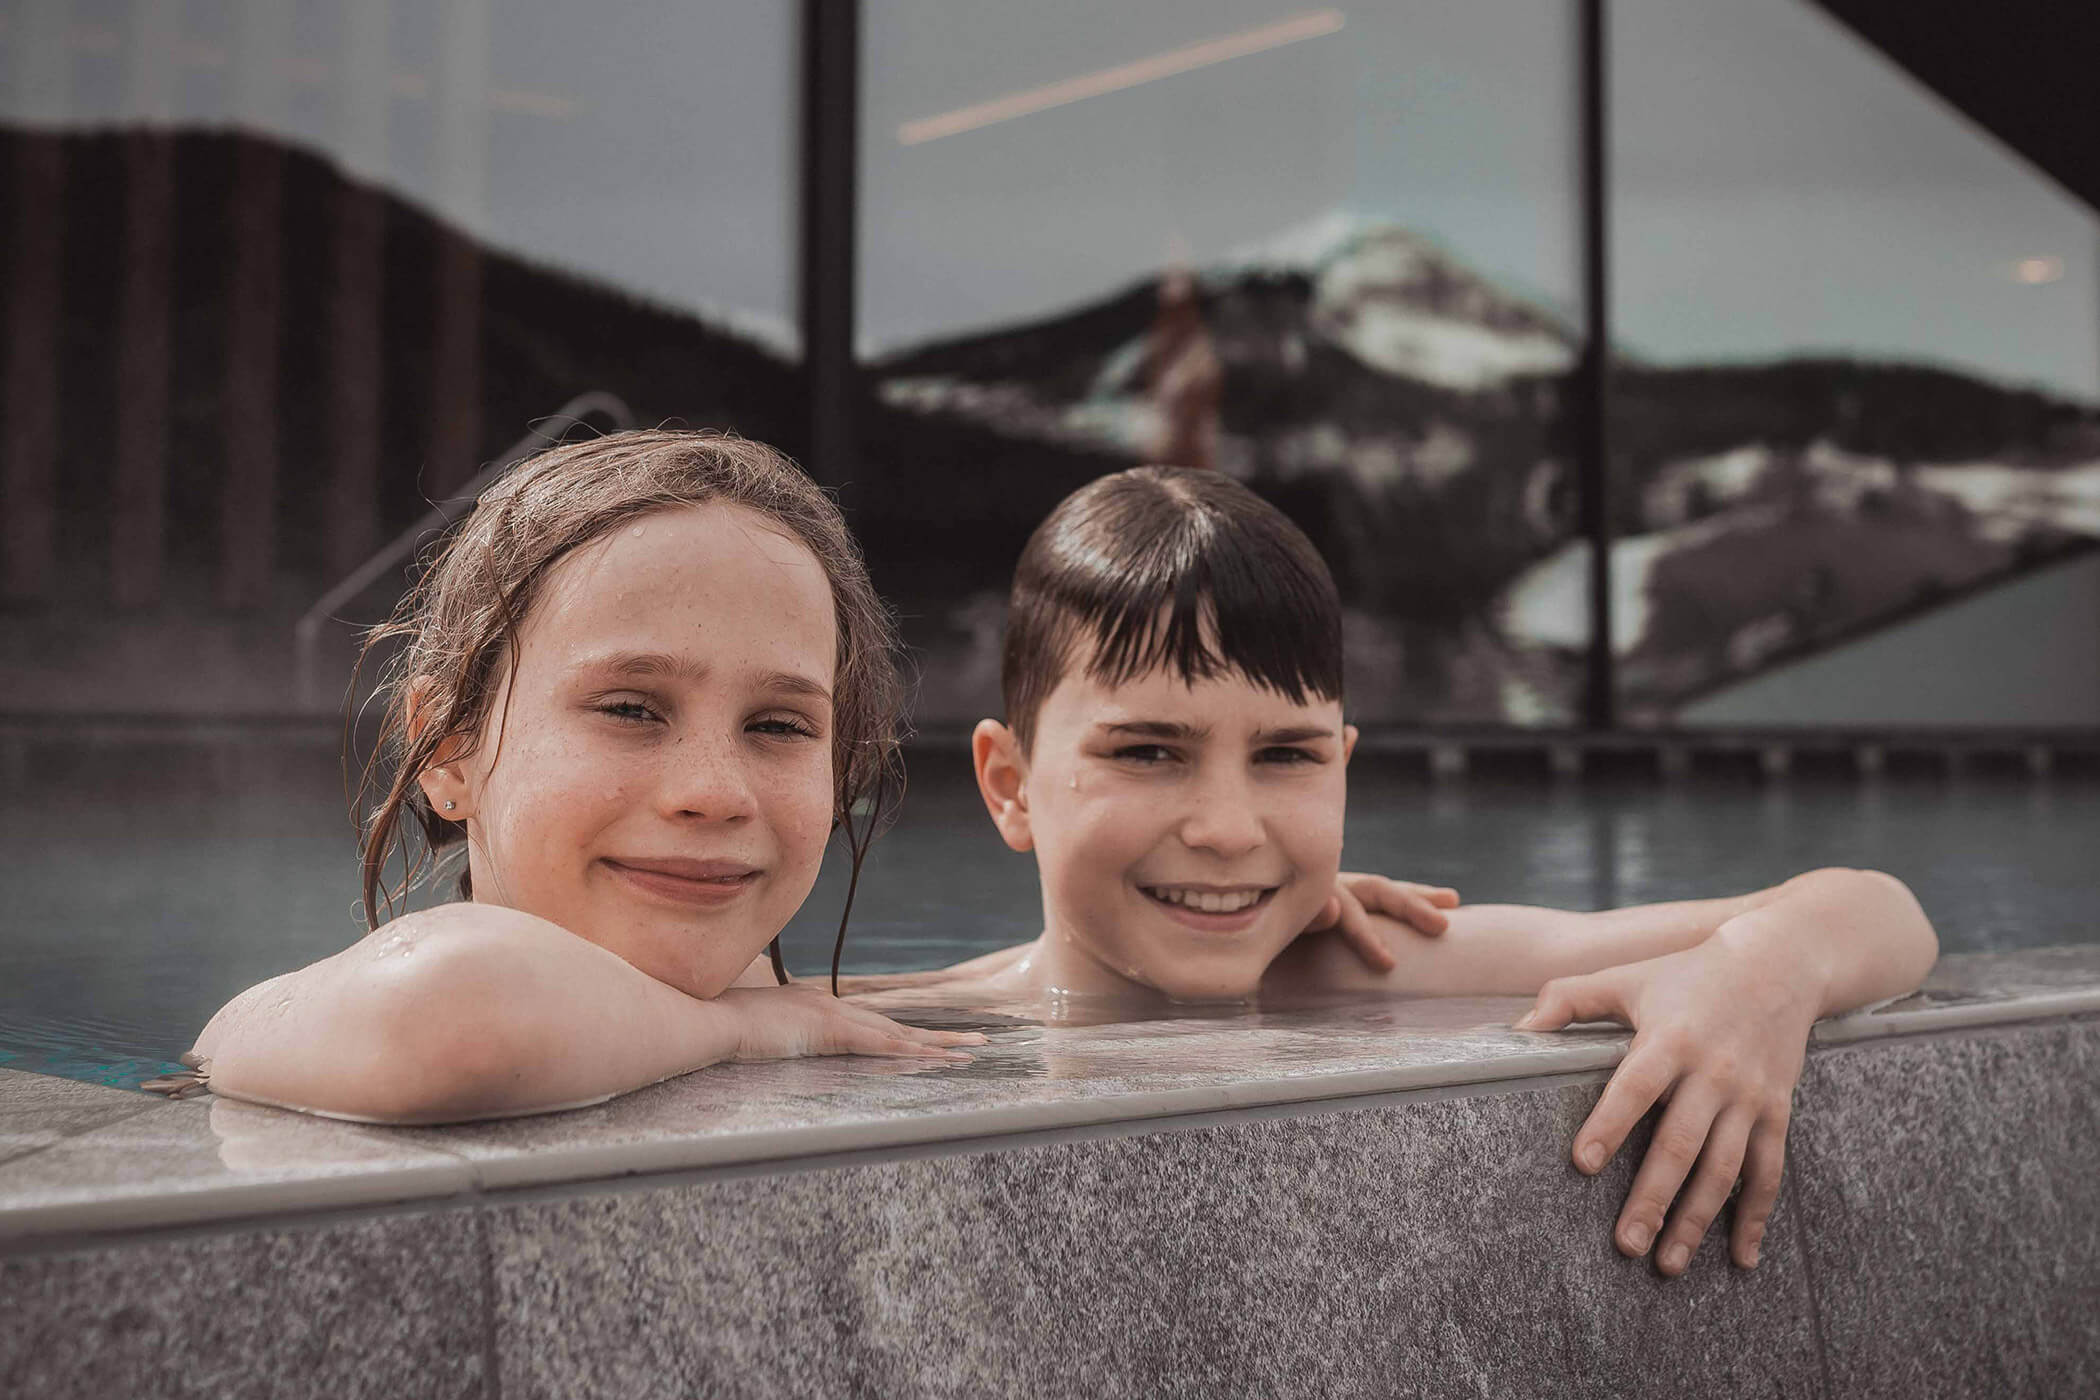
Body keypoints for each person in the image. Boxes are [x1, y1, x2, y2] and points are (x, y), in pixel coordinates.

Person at [845, 465, 1940, 1278]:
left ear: (1345, 769)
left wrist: (1758, 970)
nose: (1228, 828)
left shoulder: (1368, 964)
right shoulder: (915, 1016)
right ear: (1010, 784)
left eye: (1287, 757)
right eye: (1147, 751)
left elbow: (1879, 909)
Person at [186, 432, 1432, 1124]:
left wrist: (1641, 971)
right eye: (632, 708)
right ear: (446, 748)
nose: (713, 788)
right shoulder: (363, 1003)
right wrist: (742, 1025)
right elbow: (447, 1019)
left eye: (780, 726)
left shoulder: (872, 1020)